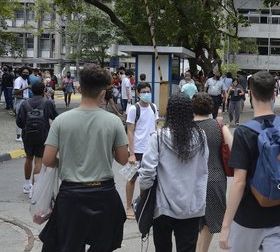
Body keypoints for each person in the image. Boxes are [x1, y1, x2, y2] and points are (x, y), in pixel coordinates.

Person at [40, 64, 128, 251]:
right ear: (103, 93)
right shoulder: (113, 122)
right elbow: (122, 159)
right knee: (103, 245)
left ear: (79, 89)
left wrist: (66, 160)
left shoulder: (61, 121)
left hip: (71, 197)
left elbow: (47, 160)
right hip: (104, 195)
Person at [219, 71, 280, 252]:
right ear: (274, 94)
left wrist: (226, 226)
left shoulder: (244, 133)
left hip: (249, 218)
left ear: (249, 93)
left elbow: (239, 181)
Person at [138, 93, 209, 252]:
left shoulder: (158, 137)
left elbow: (147, 172)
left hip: (163, 207)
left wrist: (143, 192)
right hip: (192, 206)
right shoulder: (201, 136)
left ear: (169, 112)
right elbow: (203, 170)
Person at [192, 93, 233, 252]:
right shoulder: (219, 126)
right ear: (211, 107)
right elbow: (233, 148)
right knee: (210, 221)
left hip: (191, 179)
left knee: (192, 219)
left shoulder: (187, 127)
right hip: (216, 177)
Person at [16, 82, 58, 196]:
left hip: (28, 135)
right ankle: (34, 189)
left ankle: (26, 185)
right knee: (39, 161)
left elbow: (19, 122)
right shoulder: (47, 103)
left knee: (28, 158)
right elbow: (55, 117)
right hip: (43, 135)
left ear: (31, 91)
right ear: (43, 90)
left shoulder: (25, 104)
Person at [125, 82, 159, 219]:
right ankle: (128, 207)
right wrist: (131, 153)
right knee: (131, 179)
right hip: (137, 150)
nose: (146, 94)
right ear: (138, 93)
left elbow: (155, 127)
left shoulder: (153, 107)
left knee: (146, 180)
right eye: (143, 92)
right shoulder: (134, 109)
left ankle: (141, 206)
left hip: (150, 150)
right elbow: (130, 131)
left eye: (148, 91)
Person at [14, 66, 31, 141]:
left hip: (25, 100)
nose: (25, 74)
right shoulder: (18, 80)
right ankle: (18, 136)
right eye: (24, 72)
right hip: (20, 100)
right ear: (21, 73)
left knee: (25, 118)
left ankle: (23, 134)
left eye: (27, 73)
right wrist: (27, 88)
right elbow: (16, 91)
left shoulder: (26, 80)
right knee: (19, 118)